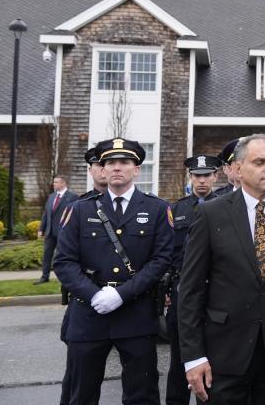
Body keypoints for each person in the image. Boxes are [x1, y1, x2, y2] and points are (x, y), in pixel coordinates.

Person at [177, 134, 265, 404]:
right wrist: (194, 357)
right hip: (223, 355)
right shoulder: (211, 214)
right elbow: (190, 290)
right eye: (259, 162)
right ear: (238, 168)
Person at [53, 138, 174, 405]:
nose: (117, 167)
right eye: (110, 163)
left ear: (136, 170)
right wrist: (94, 294)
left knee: (142, 393)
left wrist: (121, 295)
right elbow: (63, 262)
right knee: (80, 393)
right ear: (102, 170)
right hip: (88, 313)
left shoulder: (156, 209)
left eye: (125, 162)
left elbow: (161, 259)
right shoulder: (80, 209)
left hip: (136, 312)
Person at [166, 154, 222, 405]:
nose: (201, 181)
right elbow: (166, 252)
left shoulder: (225, 206)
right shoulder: (176, 209)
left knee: (212, 354)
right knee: (180, 355)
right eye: (197, 176)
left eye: (206, 175)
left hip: (215, 290)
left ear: (215, 177)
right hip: (181, 289)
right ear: (190, 178)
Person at [57, 148, 108, 405]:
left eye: (107, 163)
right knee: (78, 380)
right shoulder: (76, 206)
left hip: (124, 303)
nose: (104, 169)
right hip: (85, 303)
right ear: (91, 170)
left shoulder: (139, 204)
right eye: (99, 165)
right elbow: (65, 258)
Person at [36, 174, 78, 284]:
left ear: (63, 183)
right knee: (47, 255)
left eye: (56, 182)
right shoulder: (51, 196)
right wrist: (41, 229)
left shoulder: (72, 197)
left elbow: (73, 214)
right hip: (50, 232)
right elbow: (46, 214)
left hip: (63, 232)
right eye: (54, 182)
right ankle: (44, 277)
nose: (53, 184)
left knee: (62, 256)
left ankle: (64, 278)